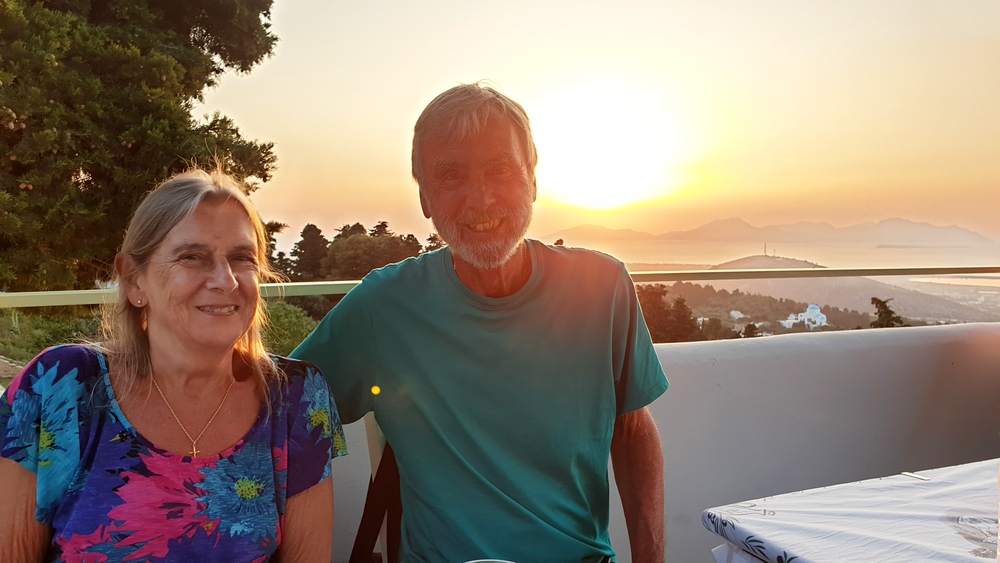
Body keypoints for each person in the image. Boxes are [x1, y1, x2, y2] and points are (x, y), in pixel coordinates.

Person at [293, 83, 668, 562]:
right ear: (426, 198)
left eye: (500, 169)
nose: (481, 199)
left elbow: (632, 431)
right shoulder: (383, 306)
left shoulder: (603, 287)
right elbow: (281, 412)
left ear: (532, 178)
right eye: (451, 176)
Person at [0, 169, 347, 562]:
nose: (225, 280)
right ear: (134, 281)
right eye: (192, 257)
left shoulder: (296, 397)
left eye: (241, 258)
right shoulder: (61, 385)